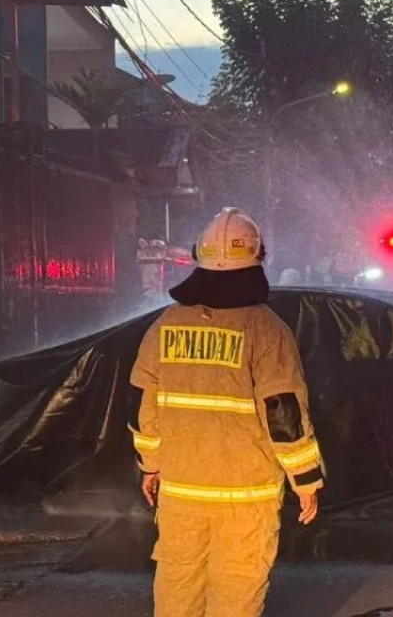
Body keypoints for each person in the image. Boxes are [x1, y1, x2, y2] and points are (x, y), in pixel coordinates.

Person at [129, 207, 325, 617]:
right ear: (258, 258)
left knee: (177, 586)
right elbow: (283, 413)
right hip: (246, 497)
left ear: (199, 256)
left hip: (182, 492)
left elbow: (143, 403)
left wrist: (150, 464)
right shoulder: (267, 330)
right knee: (237, 589)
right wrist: (305, 480)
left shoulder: (164, 325)